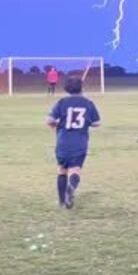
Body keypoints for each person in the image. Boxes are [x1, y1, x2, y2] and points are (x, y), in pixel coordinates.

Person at [47, 75, 101, 208]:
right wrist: (87, 123)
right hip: (80, 142)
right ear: (81, 87)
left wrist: (57, 124)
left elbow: (50, 121)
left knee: (62, 170)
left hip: (63, 142)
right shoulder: (88, 103)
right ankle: (71, 187)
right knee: (75, 170)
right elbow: (97, 123)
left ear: (67, 88)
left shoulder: (62, 102)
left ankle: (61, 202)